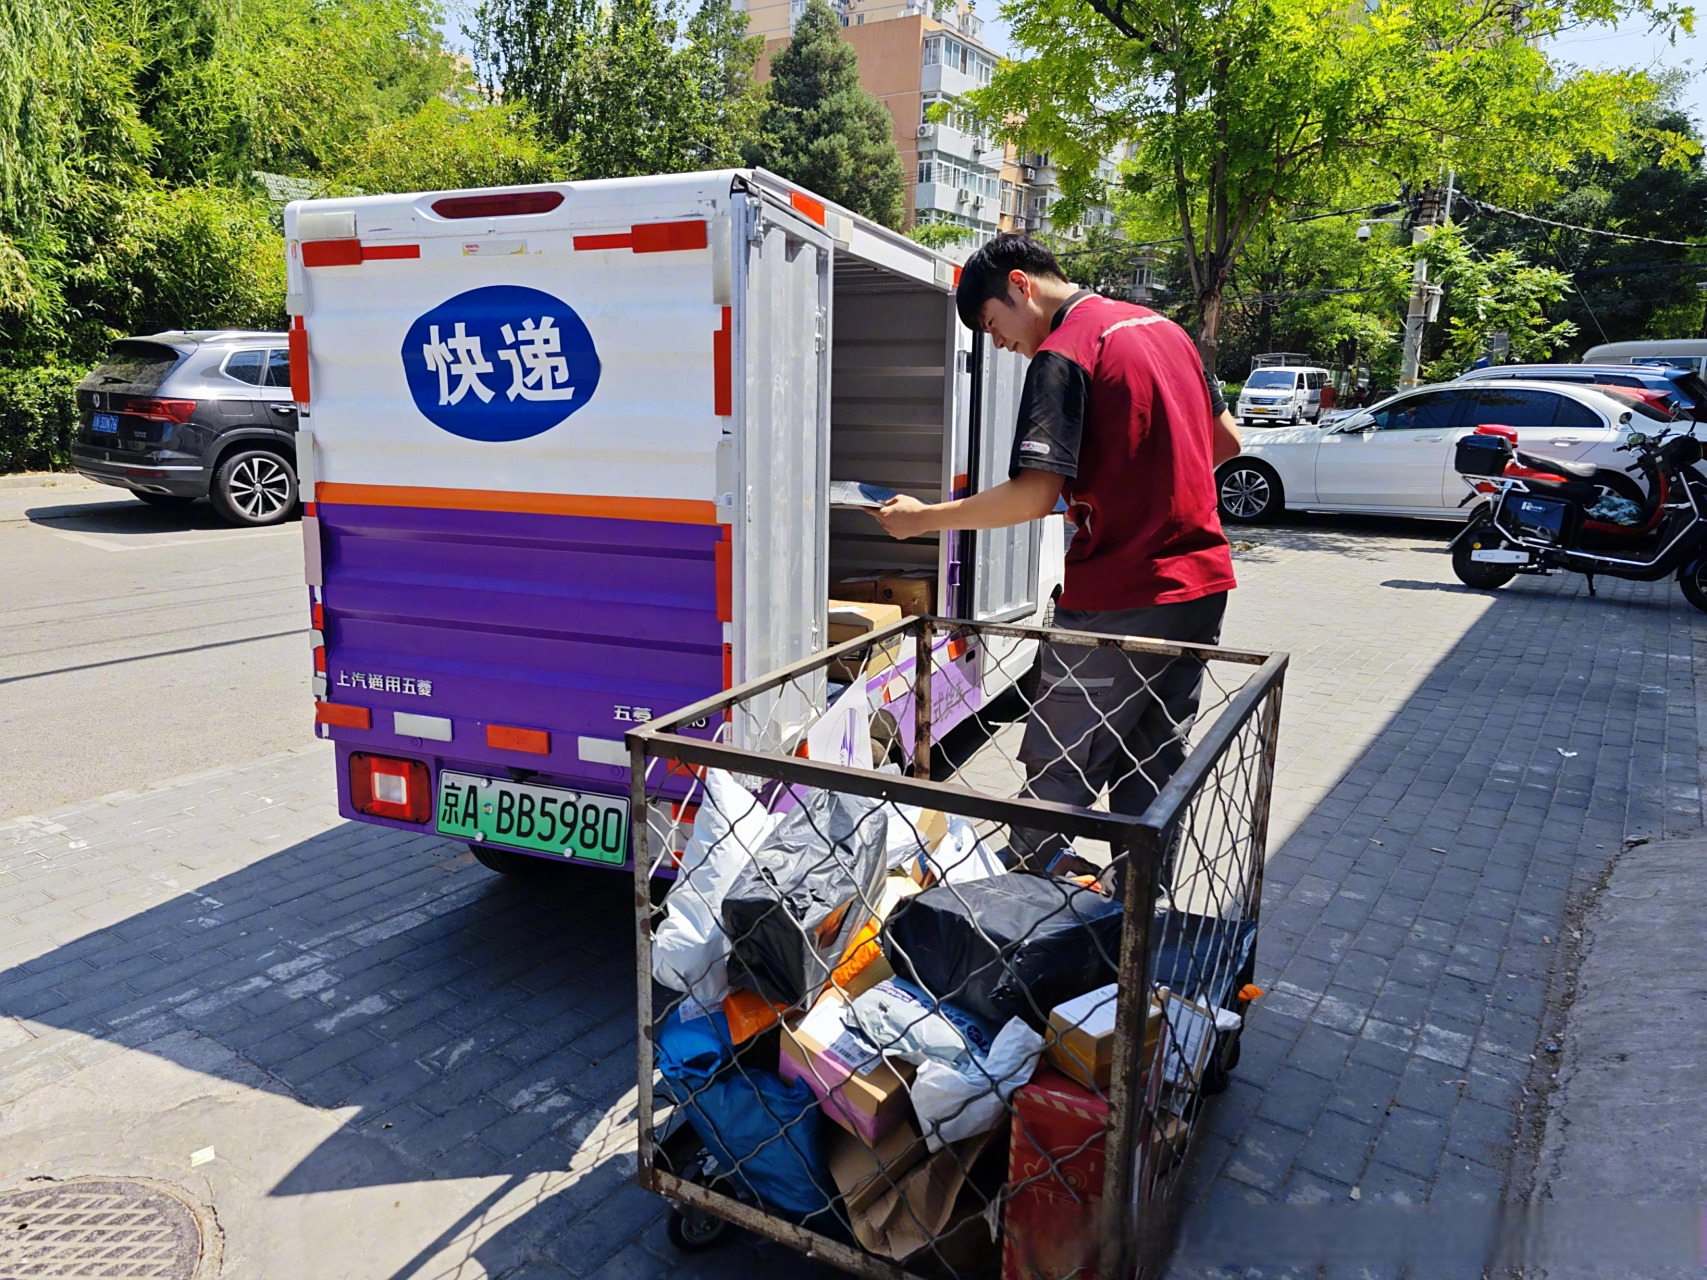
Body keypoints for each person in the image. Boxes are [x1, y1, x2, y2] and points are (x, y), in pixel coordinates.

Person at [875, 234, 1241, 873]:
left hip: (1121, 595)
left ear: (1020, 285)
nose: (998, 344)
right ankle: (1133, 915)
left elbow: (1031, 495)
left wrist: (923, 520)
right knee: (1152, 759)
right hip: (1200, 588)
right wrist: (1137, 483)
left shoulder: (1067, 351)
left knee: (1060, 763)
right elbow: (1226, 442)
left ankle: (1019, 927)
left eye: (992, 324)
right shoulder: (1166, 330)